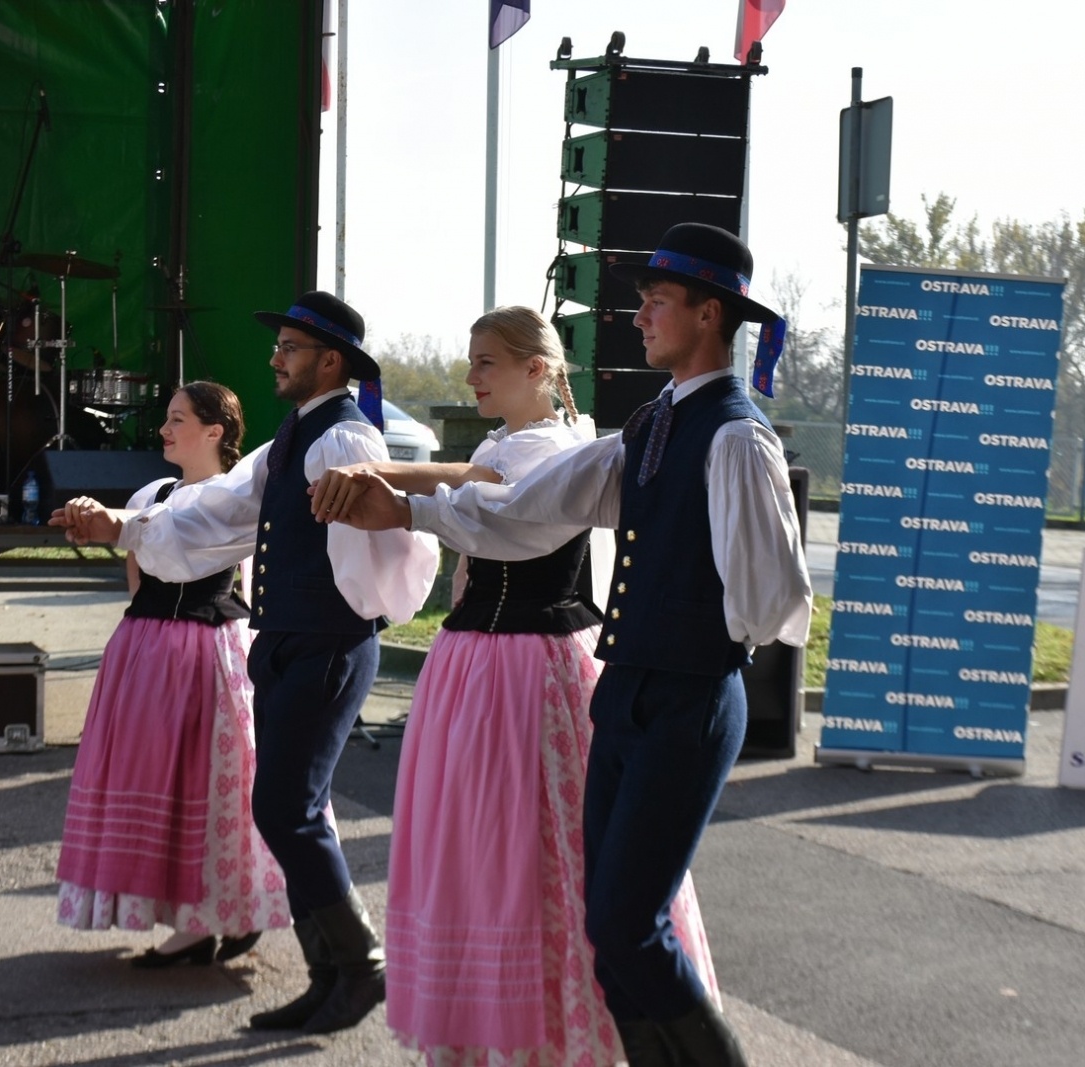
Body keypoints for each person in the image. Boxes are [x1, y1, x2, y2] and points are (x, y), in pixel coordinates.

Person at [321, 225, 812, 1065]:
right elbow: (533, 507)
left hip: (687, 693)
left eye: (660, 301)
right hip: (627, 689)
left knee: (629, 920)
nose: (642, 315)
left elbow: (773, 600)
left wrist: (687, 624)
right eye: (644, 300)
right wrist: (410, 509)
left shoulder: (734, 435)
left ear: (709, 313)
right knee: (607, 923)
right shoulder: (655, 424)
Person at [51, 291, 438, 1036]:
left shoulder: (346, 440)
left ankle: (359, 965)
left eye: (289, 346)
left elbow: (399, 554)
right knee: (282, 806)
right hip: (291, 641)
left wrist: (347, 615)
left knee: (287, 807)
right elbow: (219, 509)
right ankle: (333, 974)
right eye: (279, 344)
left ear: (331, 359)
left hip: (326, 642)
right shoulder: (295, 438)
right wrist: (124, 524)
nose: (274, 357)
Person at [54, 381, 288, 967]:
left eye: (177, 419)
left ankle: (215, 916)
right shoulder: (154, 490)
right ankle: (191, 920)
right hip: (147, 644)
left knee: (209, 784)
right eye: (166, 418)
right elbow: (139, 573)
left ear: (215, 432)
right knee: (155, 780)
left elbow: (223, 564)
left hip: (208, 646)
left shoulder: (234, 499)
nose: (164, 429)